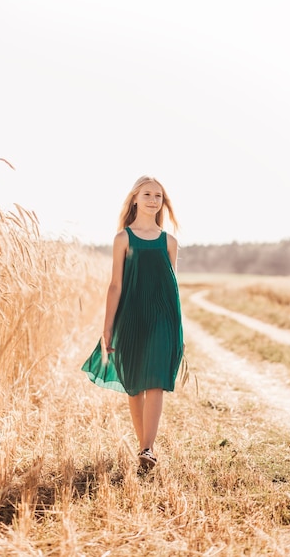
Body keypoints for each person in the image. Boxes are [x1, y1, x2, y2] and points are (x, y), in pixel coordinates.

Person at [81, 175, 185, 470]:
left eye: (159, 196)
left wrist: (179, 328)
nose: (154, 200)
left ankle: (148, 449)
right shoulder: (123, 239)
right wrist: (107, 327)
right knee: (134, 385)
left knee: (155, 382)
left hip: (163, 318)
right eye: (148, 194)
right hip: (131, 317)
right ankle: (144, 449)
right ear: (135, 199)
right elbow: (115, 285)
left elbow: (172, 286)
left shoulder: (170, 241)